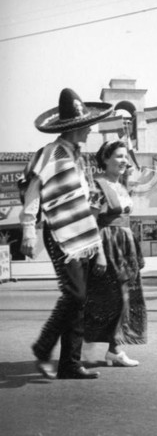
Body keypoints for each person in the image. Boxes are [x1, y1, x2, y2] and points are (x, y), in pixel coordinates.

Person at [19, 88, 113, 380]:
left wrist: (96, 247)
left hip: (83, 237)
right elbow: (33, 191)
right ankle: (43, 346)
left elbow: (86, 206)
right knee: (75, 294)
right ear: (76, 127)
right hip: (59, 233)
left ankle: (70, 364)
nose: (91, 129)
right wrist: (27, 230)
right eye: (87, 125)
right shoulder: (51, 153)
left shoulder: (80, 159)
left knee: (79, 299)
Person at [84, 140, 147, 366]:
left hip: (125, 245)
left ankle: (114, 349)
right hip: (108, 245)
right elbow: (92, 222)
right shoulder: (97, 186)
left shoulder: (121, 186)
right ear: (106, 159)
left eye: (125, 157)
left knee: (126, 298)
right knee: (115, 299)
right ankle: (105, 348)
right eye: (119, 156)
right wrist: (99, 253)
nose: (124, 161)